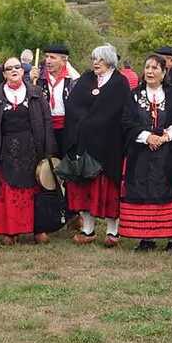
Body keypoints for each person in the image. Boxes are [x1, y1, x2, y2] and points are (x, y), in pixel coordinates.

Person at [119, 53, 172, 253]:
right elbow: (126, 122)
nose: (150, 72)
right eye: (147, 68)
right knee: (143, 192)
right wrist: (147, 136)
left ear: (164, 72)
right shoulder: (135, 95)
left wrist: (165, 137)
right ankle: (146, 237)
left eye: (155, 68)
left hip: (168, 153)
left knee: (168, 190)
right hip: (141, 154)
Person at [0, 57, 57, 244]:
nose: (14, 70)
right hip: (5, 149)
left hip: (32, 148)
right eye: (9, 68)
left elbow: (47, 121)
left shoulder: (36, 92)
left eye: (17, 67)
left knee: (35, 189)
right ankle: (10, 231)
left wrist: (49, 150)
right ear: (4, 73)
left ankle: (38, 229)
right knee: (8, 190)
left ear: (23, 71)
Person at [63, 44, 130, 246]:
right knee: (85, 188)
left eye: (100, 60)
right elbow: (73, 105)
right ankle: (88, 229)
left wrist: (95, 122)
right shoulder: (86, 79)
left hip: (109, 146)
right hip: (85, 145)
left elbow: (119, 112)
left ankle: (113, 231)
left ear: (109, 61)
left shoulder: (120, 82)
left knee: (109, 189)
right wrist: (85, 122)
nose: (95, 63)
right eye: (94, 59)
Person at [30, 43, 79, 156]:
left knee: (66, 163)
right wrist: (30, 80)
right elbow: (30, 99)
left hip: (67, 128)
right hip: (45, 128)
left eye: (52, 57)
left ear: (64, 60)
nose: (48, 61)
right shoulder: (39, 78)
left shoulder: (73, 79)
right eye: (46, 56)